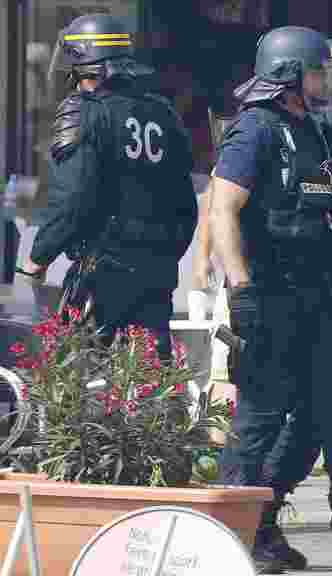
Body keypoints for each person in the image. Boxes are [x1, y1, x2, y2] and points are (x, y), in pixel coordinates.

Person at [208, 26, 332, 573]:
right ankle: (233, 533)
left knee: (317, 417)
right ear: (291, 74)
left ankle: (263, 518)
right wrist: (239, 288)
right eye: (318, 70)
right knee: (260, 416)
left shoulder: (311, 131)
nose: (324, 81)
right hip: (266, 293)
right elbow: (222, 209)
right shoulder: (256, 131)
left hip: (314, 294)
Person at [20, 13, 197, 358]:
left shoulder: (84, 111)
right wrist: (160, 254)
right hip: (157, 270)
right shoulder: (163, 113)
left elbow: (73, 199)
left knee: (76, 377)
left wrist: (38, 257)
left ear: (81, 61)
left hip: (102, 270)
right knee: (149, 377)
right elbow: (186, 206)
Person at [260, 35, 332, 536]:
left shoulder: (307, 129)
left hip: (316, 275)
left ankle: (271, 493)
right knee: (330, 400)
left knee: (315, 402)